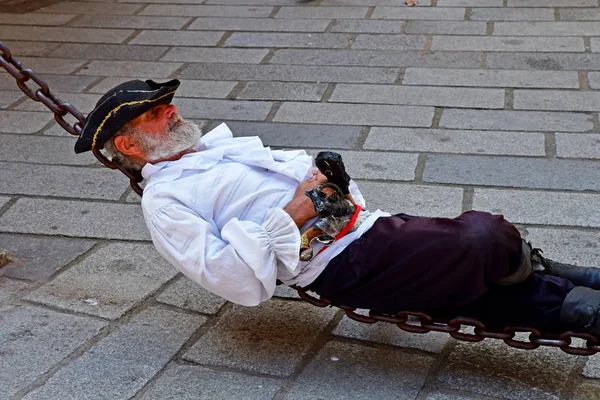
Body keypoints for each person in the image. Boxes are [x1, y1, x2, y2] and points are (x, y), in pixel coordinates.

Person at [75, 79, 600, 336]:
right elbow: (230, 281)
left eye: (166, 103)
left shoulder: (211, 149)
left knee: (475, 257)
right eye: (153, 114)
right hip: (334, 261)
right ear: (128, 145)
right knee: (483, 236)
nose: (171, 110)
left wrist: (325, 181)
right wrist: (298, 213)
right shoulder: (166, 202)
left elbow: (302, 181)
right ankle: (563, 291)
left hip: (362, 228)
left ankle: (565, 296)